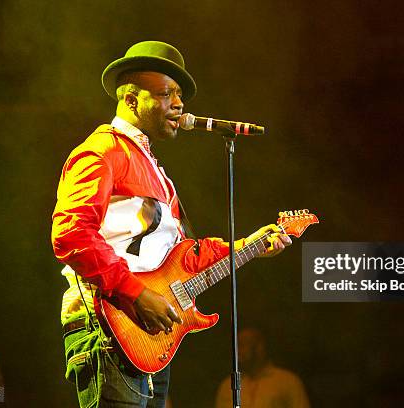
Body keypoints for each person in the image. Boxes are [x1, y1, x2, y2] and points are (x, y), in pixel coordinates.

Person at [51, 41, 291, 408]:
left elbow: (180, 257)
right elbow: (71, 234)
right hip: (108, 328)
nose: (179, 104)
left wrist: (250, 245)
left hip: (147, 336)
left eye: (179, 94)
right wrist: (135, 294)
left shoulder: (154, 169)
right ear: (131, 101)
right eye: (166, 93)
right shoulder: (101, 152)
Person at [215, 328, 310, 408]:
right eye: (236, 346)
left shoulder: (287, 381)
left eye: (243, 345)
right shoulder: (227, 386)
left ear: (260, 347)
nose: (238, 351)